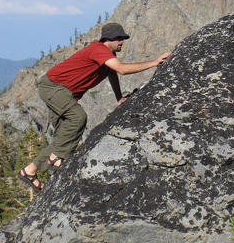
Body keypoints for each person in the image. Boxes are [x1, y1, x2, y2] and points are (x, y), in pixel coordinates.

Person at [17, 22, 170, 191]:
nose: (122, 42)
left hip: (62, 92)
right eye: (119, 38)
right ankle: (55, 159)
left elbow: (112, 74)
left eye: (123, 38)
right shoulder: (98, 49)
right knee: (78, 118)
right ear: (108, 39)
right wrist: (154, 62)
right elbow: (121, 70)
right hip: (54, 88)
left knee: (63, 137)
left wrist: (119, 98)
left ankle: (29, 171)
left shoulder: (107, 55)